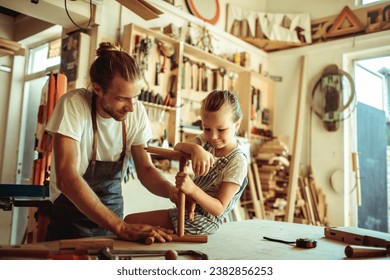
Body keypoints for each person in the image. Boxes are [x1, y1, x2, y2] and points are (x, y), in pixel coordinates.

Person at [44, 42, 176, 242]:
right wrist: (122, 227)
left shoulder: (136, 111)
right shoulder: (73, 105)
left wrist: (172, 192)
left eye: (134, 98)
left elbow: (146, 169)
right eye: (123, 98)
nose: (131, 107)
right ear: (98, 89)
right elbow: (66, 177)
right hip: (70, 219)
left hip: (113, 219)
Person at [124, 89, 248, 235]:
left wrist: (193, 190)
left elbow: (218, 209)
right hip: (188, 211)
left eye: (221, 129)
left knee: (130, 222)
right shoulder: (206, 142)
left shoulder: (237, 161)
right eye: (207, 129)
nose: (213, 136)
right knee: (129, 222)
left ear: (237, 124)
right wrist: (196, 149)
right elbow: (178, 147)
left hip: (204, 222)